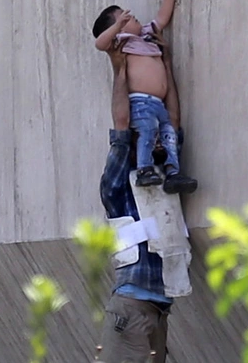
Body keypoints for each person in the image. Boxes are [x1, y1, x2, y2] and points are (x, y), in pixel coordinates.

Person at [95, 45, 173, 362]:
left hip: (158, 310)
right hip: (130, 306)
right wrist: (119, 71)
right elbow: (122, 125)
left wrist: (166, 67)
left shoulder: (165, 181)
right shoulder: (120, 186)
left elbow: (173, 124)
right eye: (147, 137)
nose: (153, 141)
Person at [93, 0, 196, 194]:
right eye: (124, 17)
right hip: (140, 102)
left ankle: (172, 173)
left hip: (159, 103)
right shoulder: (123, 43)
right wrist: (118, 27)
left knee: (169, 134)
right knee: (148, 131)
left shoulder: (148, 35)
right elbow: (100, 43)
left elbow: (162, 18)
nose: (131, 17)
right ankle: (144, 169)